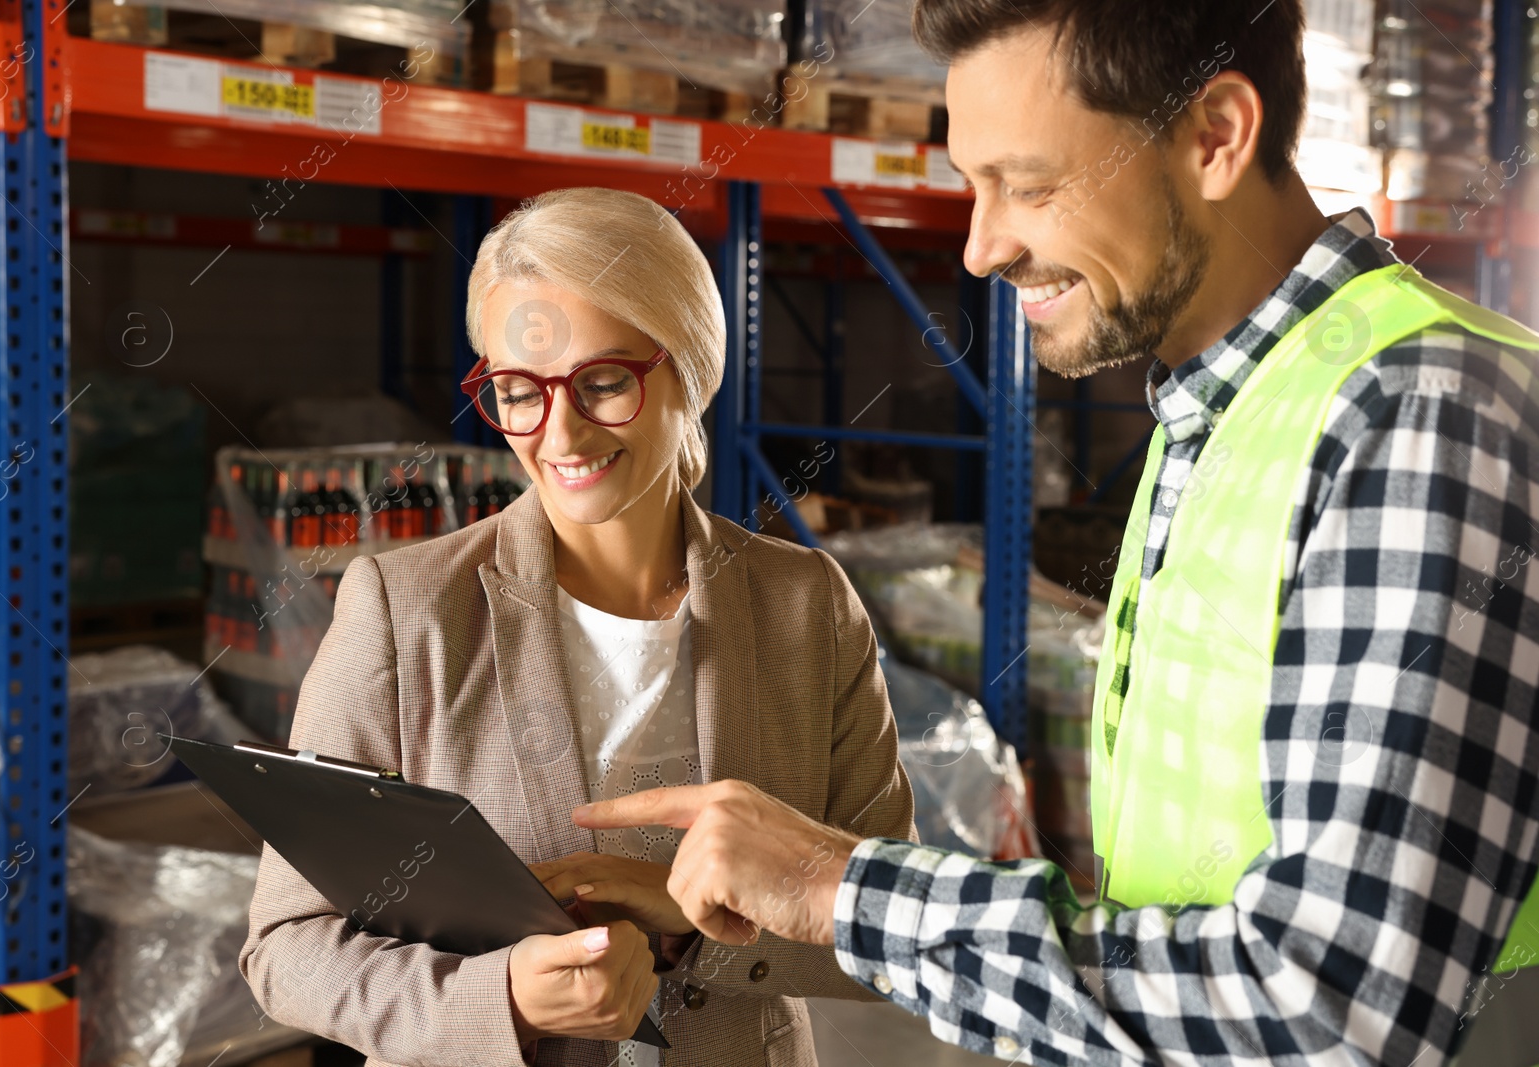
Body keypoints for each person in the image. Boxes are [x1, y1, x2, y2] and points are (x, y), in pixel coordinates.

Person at [573, 2, 1539, 1065]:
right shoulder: (1222, 410)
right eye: (972, 185)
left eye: (1030, 186)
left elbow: (1331, 1007)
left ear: (1215, 135)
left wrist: (831, 883)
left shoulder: (1419, 410)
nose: (983, 247)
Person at [238, 187, 915, 1067]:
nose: (557, 431)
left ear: (692, 370)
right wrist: (501, 998)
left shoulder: (805, 606)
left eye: (602, 383)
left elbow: (895, 929)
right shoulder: (404, 610)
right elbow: (286, 944)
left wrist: (699, 925)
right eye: (518, 391)